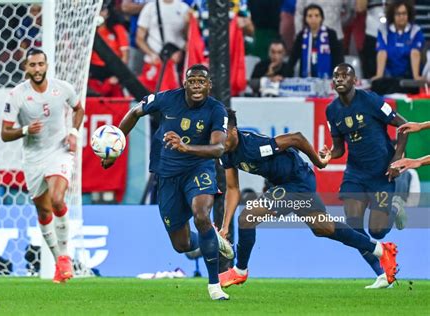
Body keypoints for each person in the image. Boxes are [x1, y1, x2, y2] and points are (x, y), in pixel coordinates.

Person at [217, 109, 398, 289]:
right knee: (323, 228)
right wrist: (225, 226)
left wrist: (319, 163)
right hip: (286, 185)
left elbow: (296, 138)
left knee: (248, 216)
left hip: (297, 181)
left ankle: (240, 270)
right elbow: (233, 188)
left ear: (234, 131)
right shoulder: (225, 153)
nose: (219, 140)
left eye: (223, 135)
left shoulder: (254, 146)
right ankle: (382, 250)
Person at [102, 64, 233, 300]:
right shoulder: (166, 100)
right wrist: (116, 147)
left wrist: (185, 147)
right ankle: (211, 237)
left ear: (209, 86)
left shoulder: (217, 110)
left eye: (201, 82)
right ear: (184, 83)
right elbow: (134, 113)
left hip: (198, 168)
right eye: (191, 81)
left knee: (201, 215)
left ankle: (215, 285)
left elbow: (218, 148)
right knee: (181, 245)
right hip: (167, 174)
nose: (196, 85)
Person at [320, 63, 408, 289]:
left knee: (377, 230)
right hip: (356, 173)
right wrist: (330, 153)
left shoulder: (371, 101)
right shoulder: (332, 110)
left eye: (344, 76)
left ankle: (395, 207)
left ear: (355, 81)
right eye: (336, 76)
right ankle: (381, 274)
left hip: (381, 172)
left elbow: (404, 126)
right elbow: (339, 148)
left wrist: (397, 159)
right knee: (353, 225)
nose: (339, 79)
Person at [0, 48, 84, 283]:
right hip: (33, 158)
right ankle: (60, 262)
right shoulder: (16, 95)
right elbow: (5, 133)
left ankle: (65, 257)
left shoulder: (62, 88)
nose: (37, 69)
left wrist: (74, 132)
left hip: (59, 150)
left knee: (58, 199)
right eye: (32, 65)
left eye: (40, 64)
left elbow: (78, 109)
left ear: (46, 66)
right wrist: (26, 129)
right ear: (25, 68)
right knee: (43, 210)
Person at [371, 0, 425, 94]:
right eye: (398, 14)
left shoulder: (416, 31)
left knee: (405, 85)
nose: (401, 17)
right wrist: (378, 75)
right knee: (377, 84)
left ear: (409, 15)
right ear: (392, 15)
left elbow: (415, 53)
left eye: (404, 13)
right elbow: (382, 52)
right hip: (390, 78)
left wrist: (416, 77)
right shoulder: (383, 30)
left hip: (407, 78)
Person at [286, 3, 343, 79]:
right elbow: (293, 58)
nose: (313, 19)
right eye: (310, 16)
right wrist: (287, 75)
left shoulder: (331, 34)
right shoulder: (301, 35)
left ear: (321, 18)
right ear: (305, 19)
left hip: (328, 79)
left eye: (316, 15)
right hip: (306, 79)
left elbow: (338, 58)